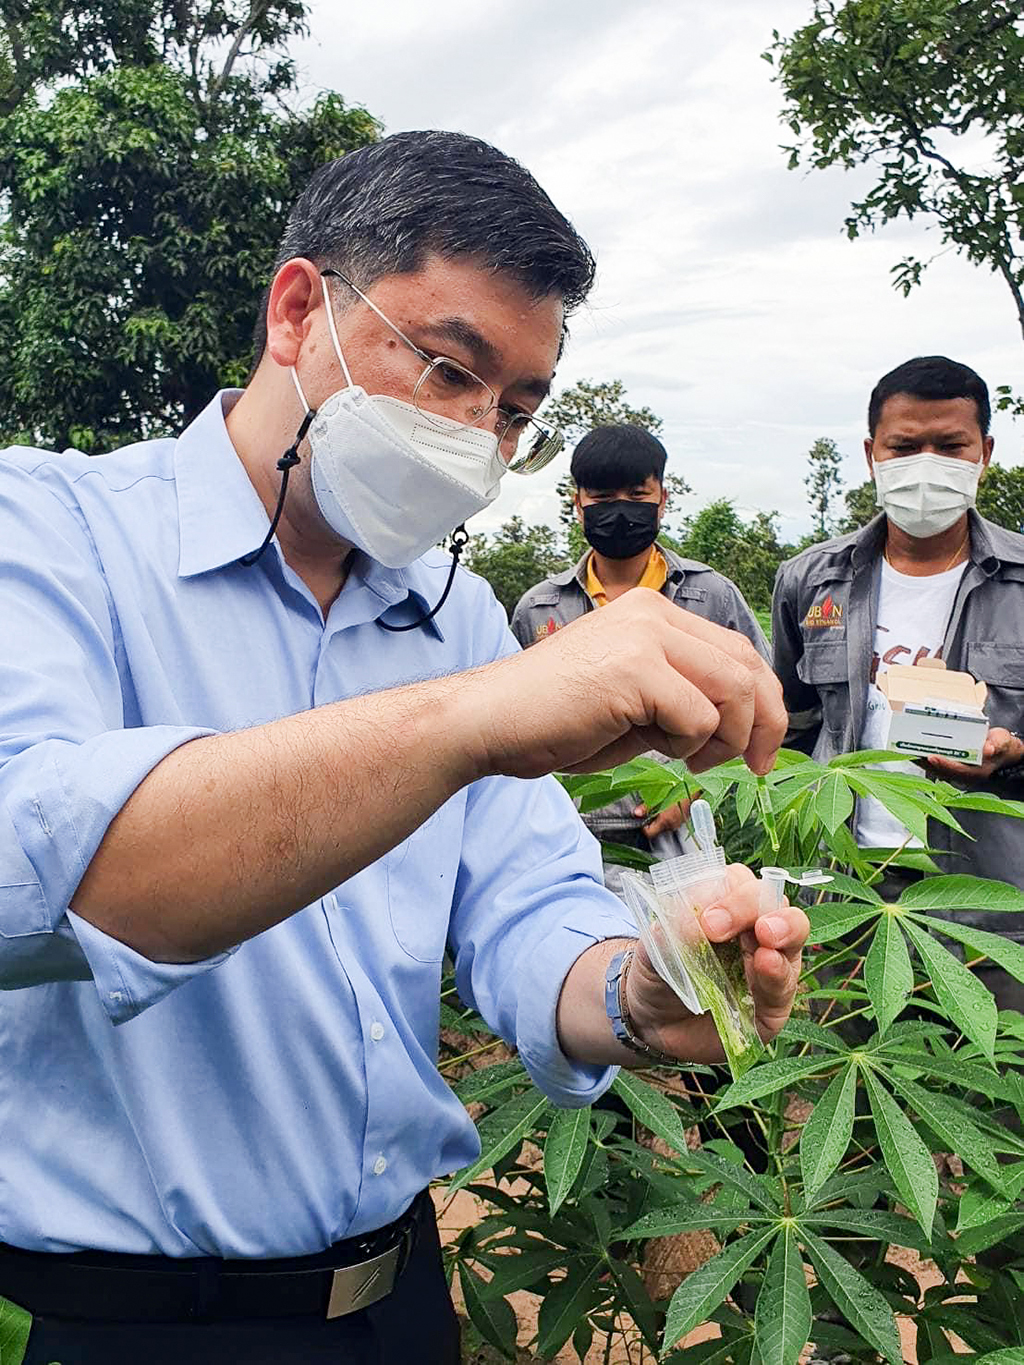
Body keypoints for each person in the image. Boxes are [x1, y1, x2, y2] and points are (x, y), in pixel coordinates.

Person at [0, 131, 806, 1364]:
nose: (477, 436)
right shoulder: (51, 534)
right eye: (446, 369)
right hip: (140, 1324)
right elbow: (43, 881)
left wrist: (636, 986)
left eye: (515, 411)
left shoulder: (454, 613)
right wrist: (473, 718)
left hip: (398, 1300)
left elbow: (526, 905)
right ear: (295, 312)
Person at [773, 354, 1024, 1006]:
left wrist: (1011, 763)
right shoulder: (811, 580)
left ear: (984, 452)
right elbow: (789, 731)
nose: (926, 464)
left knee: (984, 1095)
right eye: (906, 446)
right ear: (872, 453)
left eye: (950, 446)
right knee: (852, 1084)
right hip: (846, 899)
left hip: (991, 906)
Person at [512, 424, 769, 887]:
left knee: (692, 954)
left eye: (636, 493)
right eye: (603, 497)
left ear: (662, 499)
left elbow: (760, 706)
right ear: (578, 505)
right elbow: (513, 726)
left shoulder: (711, 596)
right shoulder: (539, 608)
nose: (620, 510)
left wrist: (693, 791)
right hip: (570, 831)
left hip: (683, 829)